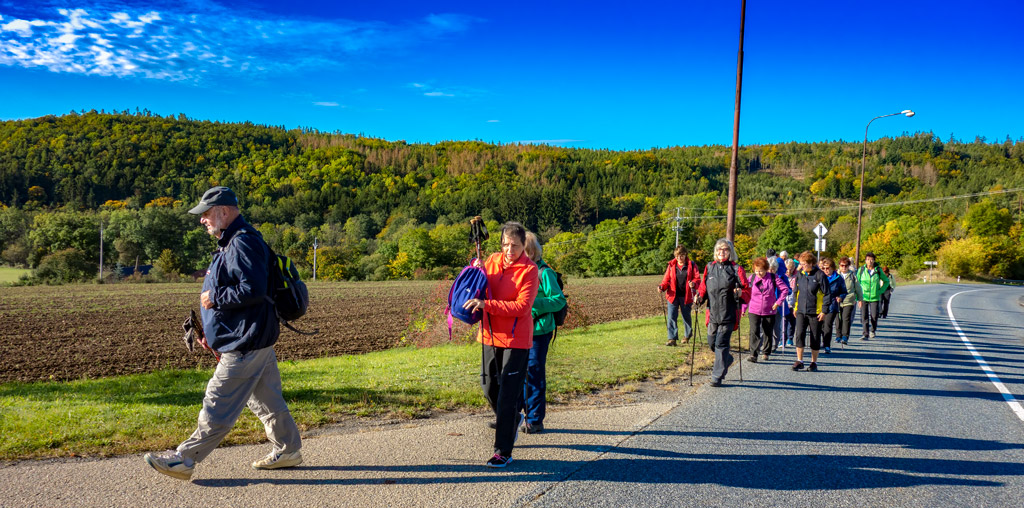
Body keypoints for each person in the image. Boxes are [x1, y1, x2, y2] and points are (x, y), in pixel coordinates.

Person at [144, 186, 302, 481]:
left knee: (218, 399)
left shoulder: (242, 243)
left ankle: (185, 459)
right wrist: (212, 334)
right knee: (267, 399)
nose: (202, 219)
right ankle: (288, 449)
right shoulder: (231, 242)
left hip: (246, 342)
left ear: (224, 211)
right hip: (252, 339)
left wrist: (215, 298)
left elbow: (252, 289)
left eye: (205, 213)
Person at [462, 221, 538, 468]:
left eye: (514, 245)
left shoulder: (529, 271)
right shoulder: (492, 261)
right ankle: (513, 417)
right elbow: (479, 286)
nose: (509, 250)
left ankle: (502, 450)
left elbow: (522, 307)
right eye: (505, 244)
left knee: (507, 395)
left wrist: (487, 305)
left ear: (523, 245)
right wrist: (475, 271)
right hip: (489, 335)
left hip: (516, 340)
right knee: (489, 388)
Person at [520, 232, 566, 435]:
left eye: (523, 251)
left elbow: (558, 300)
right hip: (519, 331)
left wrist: (532, 303)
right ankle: (519, 415)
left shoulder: (544, 272)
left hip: (539, 331)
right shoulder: (519, 271)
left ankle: (535, 419)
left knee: (534, 374)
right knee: (519, 375)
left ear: (531, 251)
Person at [695, 238, 751, 387]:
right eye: (719, 249)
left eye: (725, 249)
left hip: (729, 313)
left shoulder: (736, 269)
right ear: (716, 251)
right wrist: (699, 297)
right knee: (712, 342)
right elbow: (703, 287)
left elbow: (747, 290)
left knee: (721, 343)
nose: (722, 252)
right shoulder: (709, 267)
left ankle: (717, 376)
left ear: (730, 252)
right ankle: (726, 359)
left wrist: (740, 293)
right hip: (712, 313)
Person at [791, 251, 832, 372]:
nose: (801, 266)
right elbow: (796, 291)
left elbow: (827, 294)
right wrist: (795, 307)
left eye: (804, 264)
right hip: (801, 311)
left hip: (816, 312)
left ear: (811, 263)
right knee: (799, 335)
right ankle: (800, 360)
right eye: (801, 263)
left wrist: (824, 311)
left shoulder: (820, 275)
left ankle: (814, 362)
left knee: (815, 337)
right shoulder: (800, 274)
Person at [745, 257, 789, 363]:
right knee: (754, 331)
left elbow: (785, 289)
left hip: (769, 309)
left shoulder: (773, 278)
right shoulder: (752, 278)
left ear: (766, 269)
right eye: (756, 270)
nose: (759, 273)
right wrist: (743, 308)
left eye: (761, 270)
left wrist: (778, 302)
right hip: (754, 309)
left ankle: (766, 352)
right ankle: (753, 354)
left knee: (767, 331)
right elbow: (746, 293)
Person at [658, 245, 699, 347]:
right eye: (677, 256)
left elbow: (697, 279)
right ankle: (672, 339)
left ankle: (687, 335)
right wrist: (662, 287)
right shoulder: (671, 266)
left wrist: (693, 283)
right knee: (671, 316)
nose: (679, 258)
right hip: (673, 295)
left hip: (686, 295)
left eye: (681, 255)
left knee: (686, 316)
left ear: (685, 255)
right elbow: (666, 280)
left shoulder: (692, 265)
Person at [856, 252, 890, 340]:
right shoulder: (861, 270)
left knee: (874, 316)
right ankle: (865, 333)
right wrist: (858, 298)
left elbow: (886, 281)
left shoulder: (878, 270)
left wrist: (880, 291)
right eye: (868, 259)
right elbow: (856, 283)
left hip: (875, 297)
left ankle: (872, 330)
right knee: (864, 316)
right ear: (865, 260)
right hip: (863, 297)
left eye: (871, 259)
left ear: (874, 260)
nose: (869, 261)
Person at [819, 257, 848, 354]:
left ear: (832, 268)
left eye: (828, 268)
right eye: (824, 268)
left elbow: (844, 291)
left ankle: (827, 345)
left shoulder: (838, 278)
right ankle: (822, 341)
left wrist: (841, 297)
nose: (826, 270)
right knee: (820, 326)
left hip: (832, 304)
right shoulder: (820, 277)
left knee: (827, 325)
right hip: (820, 304)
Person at [836, 257, 860, 346]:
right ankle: (838, 335)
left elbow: (858, 288)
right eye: (842, 265)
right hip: (837, 300)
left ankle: (845, 336)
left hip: (849, 300)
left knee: (846, 318)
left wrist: (860, 299)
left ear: (849, 266)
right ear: (839, 266)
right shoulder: (836, 275)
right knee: (838, 319)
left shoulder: (852, 276)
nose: (844, 267)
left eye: (846, 266)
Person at [780, 258, 799, 350]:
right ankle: (783, 338)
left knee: (792, 320)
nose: (789, 271)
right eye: (787, 268)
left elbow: (797, 291)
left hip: (793, 301)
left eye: (791, 269)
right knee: (783, 321)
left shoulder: (796, 277)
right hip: (784, 301)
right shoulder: (782, 277)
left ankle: (790, 338)